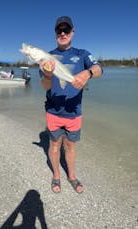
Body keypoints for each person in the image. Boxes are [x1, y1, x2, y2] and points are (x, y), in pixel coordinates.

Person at [40, 16, 102, 193]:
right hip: (53, 111)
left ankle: (72, 176)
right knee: (54, 145)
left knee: (70, 146)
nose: (62, 33)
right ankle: (57, 176)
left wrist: (87, 73)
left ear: (72, 32)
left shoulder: (82, 54)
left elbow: (99, 68)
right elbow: (45, 86)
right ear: (55, 34)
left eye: (66, 30)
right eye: (59, 30)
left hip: (74, 112)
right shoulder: (47, 58)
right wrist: (48, 75)